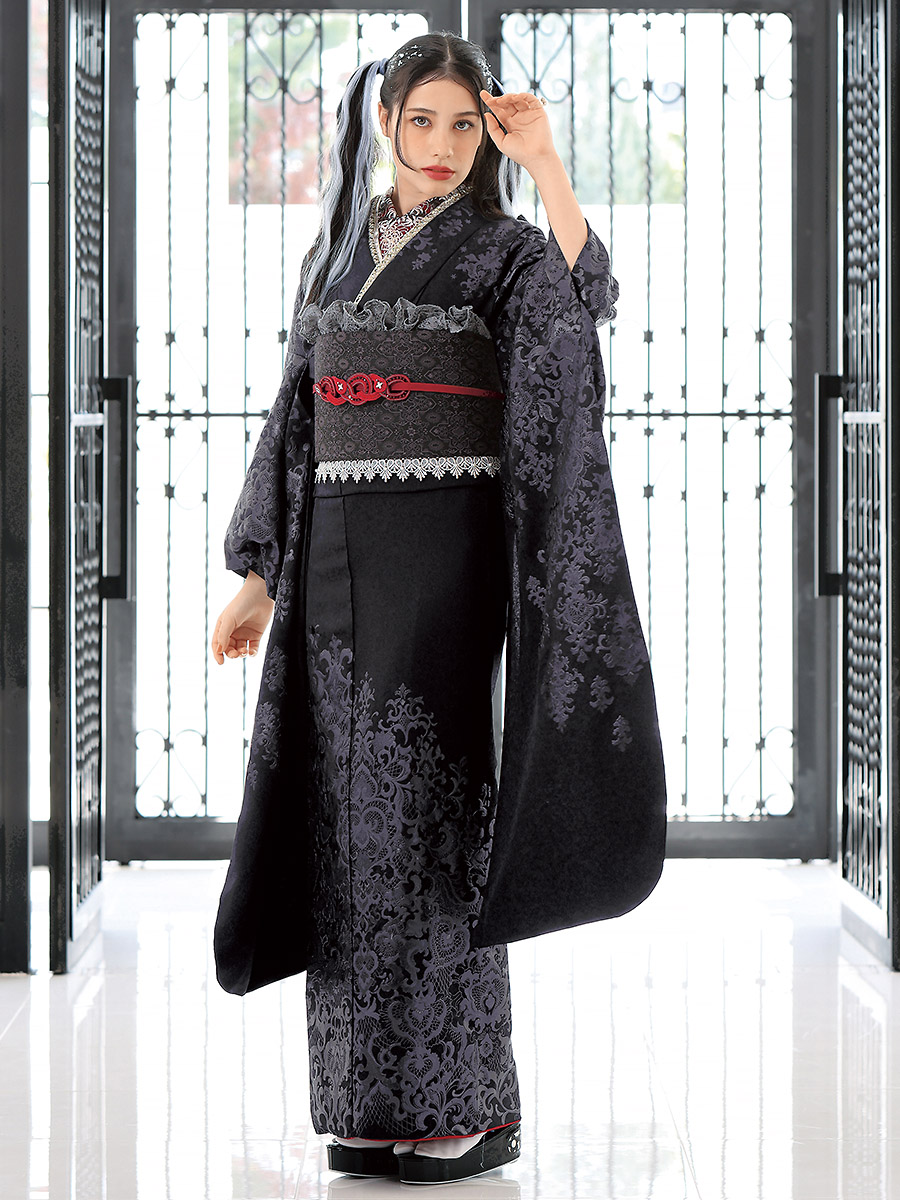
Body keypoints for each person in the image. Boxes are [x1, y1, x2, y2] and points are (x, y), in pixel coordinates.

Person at [209, 31, 667, 1187]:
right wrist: (259, 573)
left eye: (466, 126)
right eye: (424, 121)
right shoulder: (338, 253)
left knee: (433, 820)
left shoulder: (507, 252)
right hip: (334, 566)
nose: (444, 145)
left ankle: (467, 1102)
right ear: (385, 122)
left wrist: (546, 165)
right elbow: (299, 414)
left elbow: (588, 306)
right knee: (344, 827)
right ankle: (368, 1103)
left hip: (444, 559)